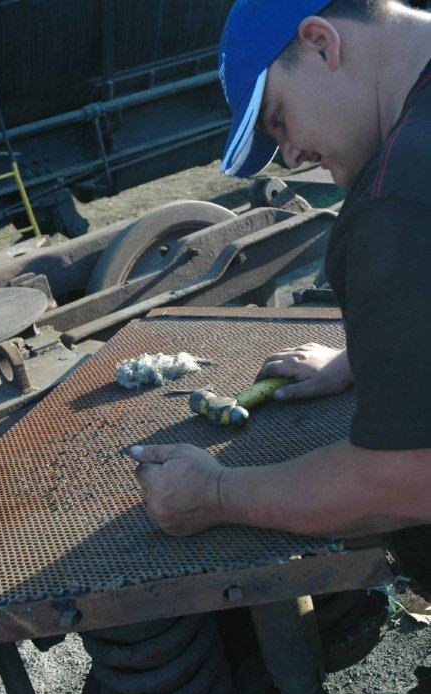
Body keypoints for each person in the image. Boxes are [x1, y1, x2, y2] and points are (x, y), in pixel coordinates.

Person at [130, 1, 431, 559]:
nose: (289, 155)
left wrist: (217, 493)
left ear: (321, 42)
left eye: (278, 119)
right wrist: (373, 360)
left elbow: (408, 478)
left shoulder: (402, 196)